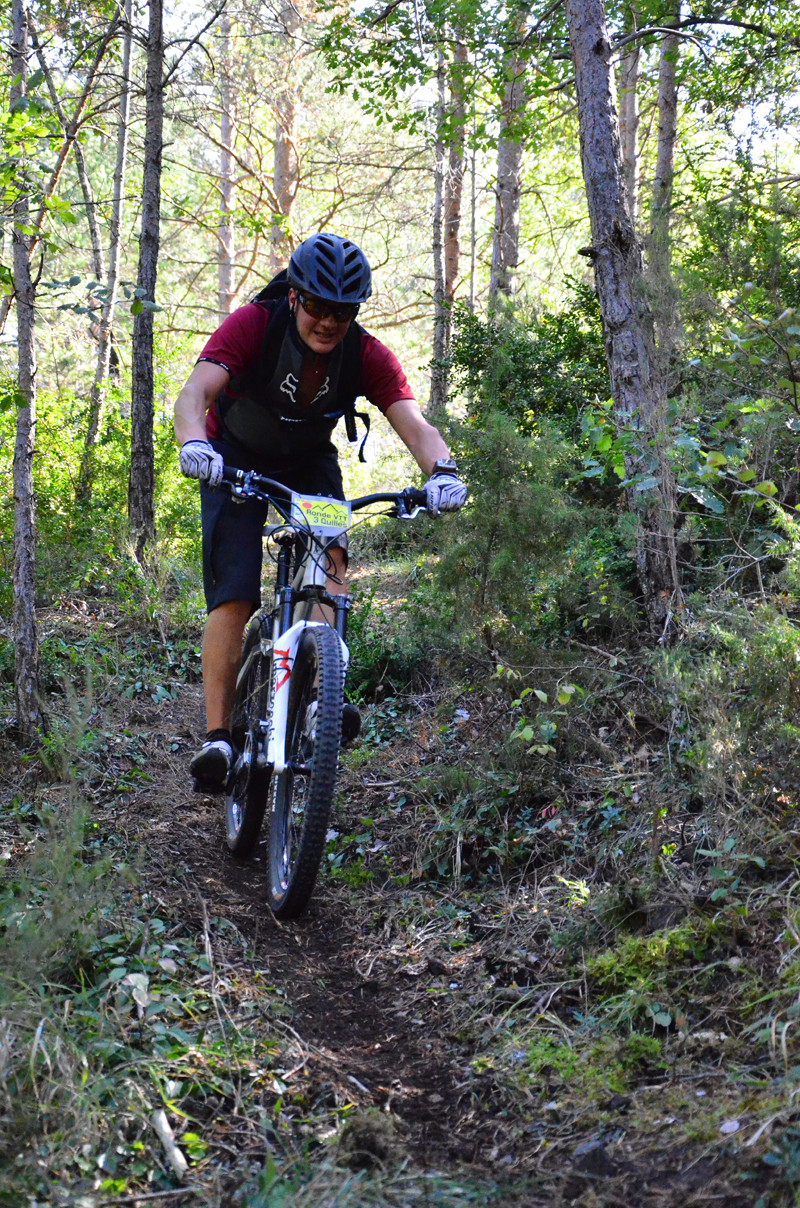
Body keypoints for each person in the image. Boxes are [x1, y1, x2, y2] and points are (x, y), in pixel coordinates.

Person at [174, 232, 467, 792]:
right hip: (231, 458)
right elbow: (194, 395)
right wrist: (195, 445)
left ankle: (316, 695)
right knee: (235, 592)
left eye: (343, 311)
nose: (328, 322)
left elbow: (415, 425)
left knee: (330, 569)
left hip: (307, 464)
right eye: (317, 306)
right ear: (294, 297)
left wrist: (444, 473)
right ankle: (217, 737)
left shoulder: (366, 354)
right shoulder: (254, 324)